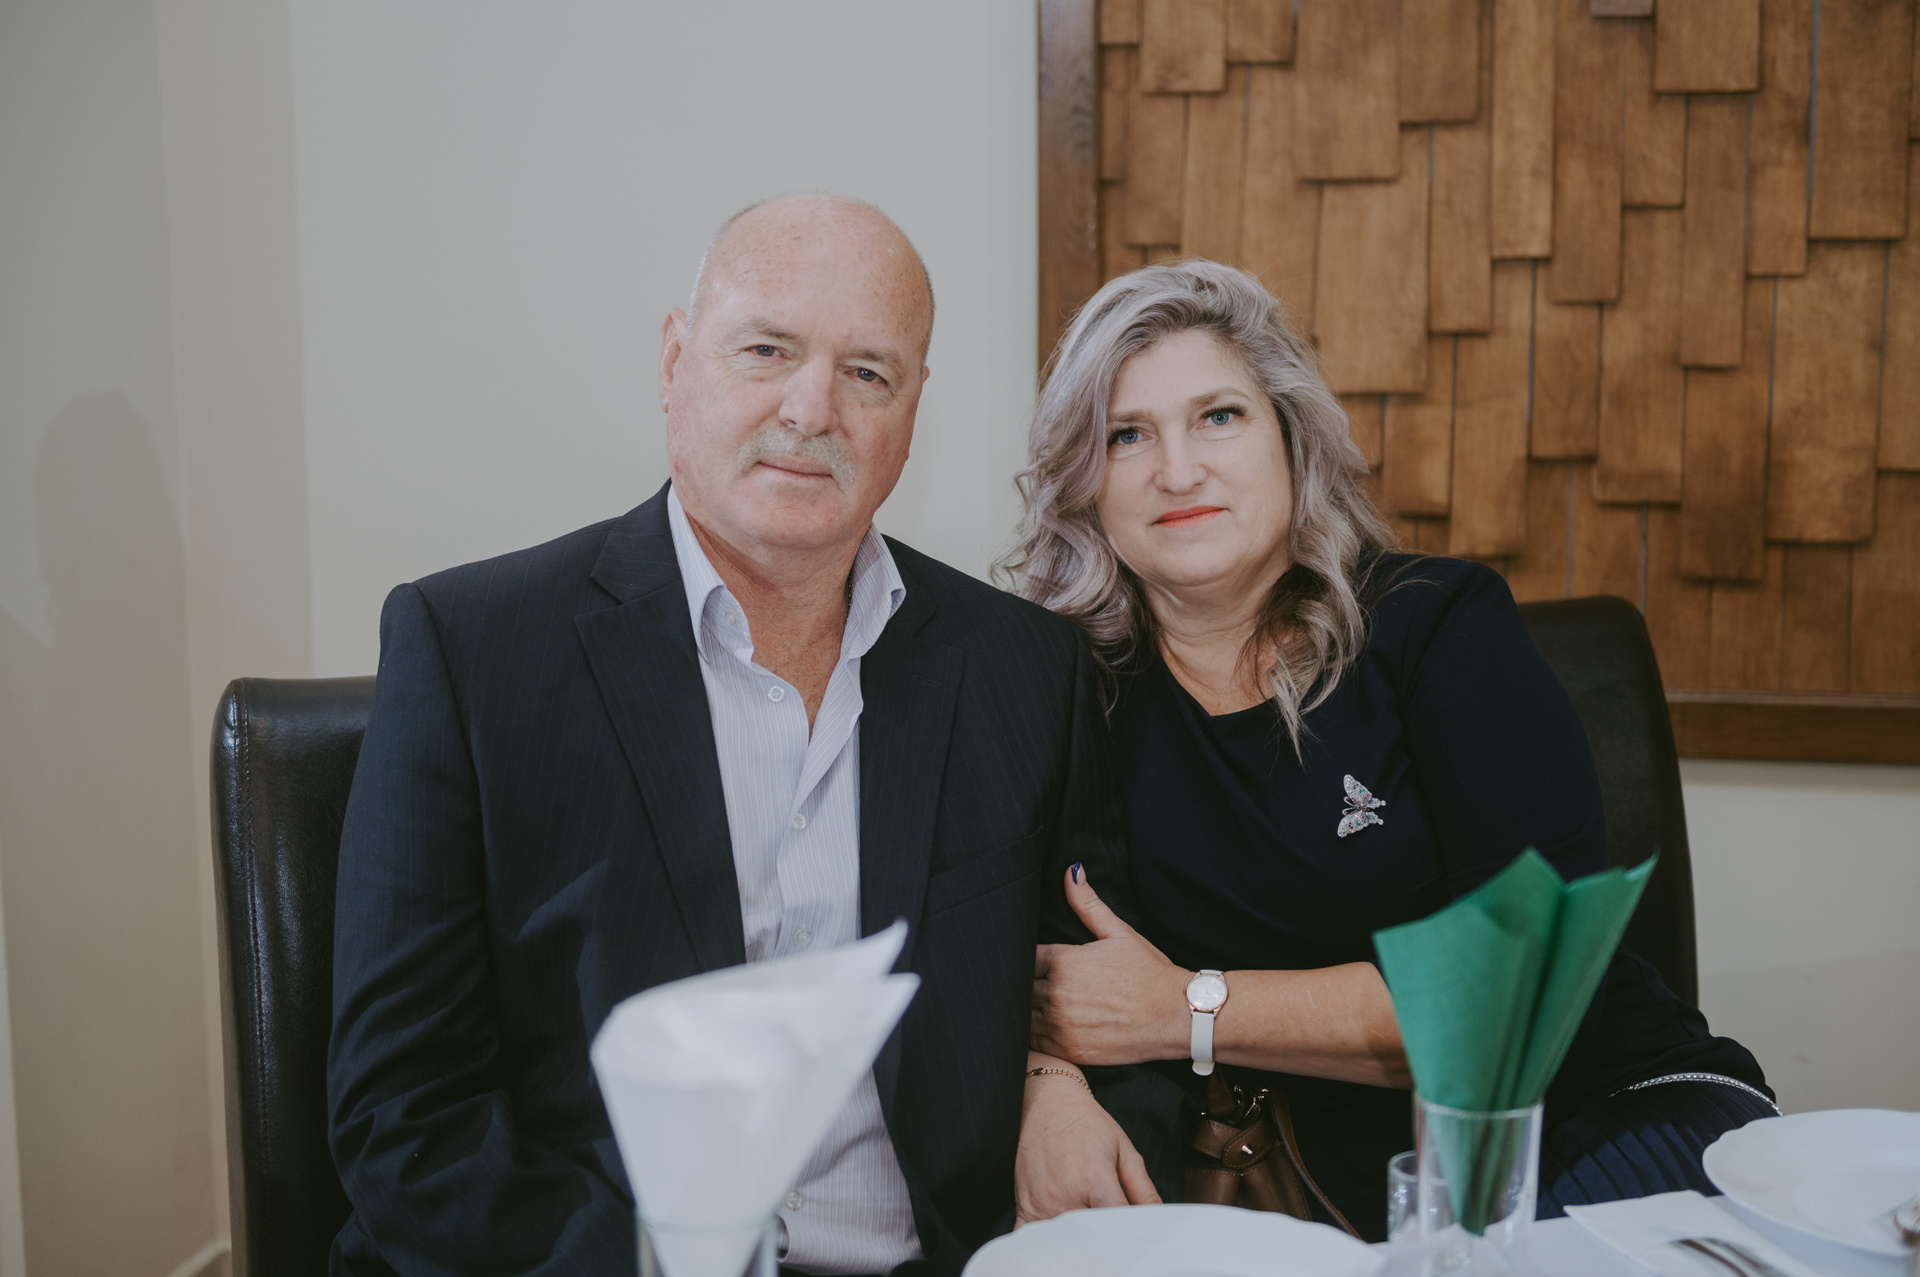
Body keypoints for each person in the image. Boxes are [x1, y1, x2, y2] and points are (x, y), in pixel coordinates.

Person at [327, 194, 1153, 1277]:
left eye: (868, 372)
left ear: (913, 408)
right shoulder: (471, 649)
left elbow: (1097, 1001)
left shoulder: (1025, 668)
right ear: (676, 361)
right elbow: (404, 1116)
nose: (812, 408)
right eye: (766, 350)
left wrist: (1059, 1084)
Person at [1000, 260, 1777, 1242]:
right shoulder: (1065, 690)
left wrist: (1186, 1009)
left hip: (1601, 1112)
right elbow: (1035, 965)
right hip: (1333, 1184)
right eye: (1127, 435)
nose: (1179, 470)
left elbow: (1514, 995)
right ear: (1084, 483)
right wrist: (1051, 1087)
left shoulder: (1438, 625)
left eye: (1219, 416)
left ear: (1293, 441)